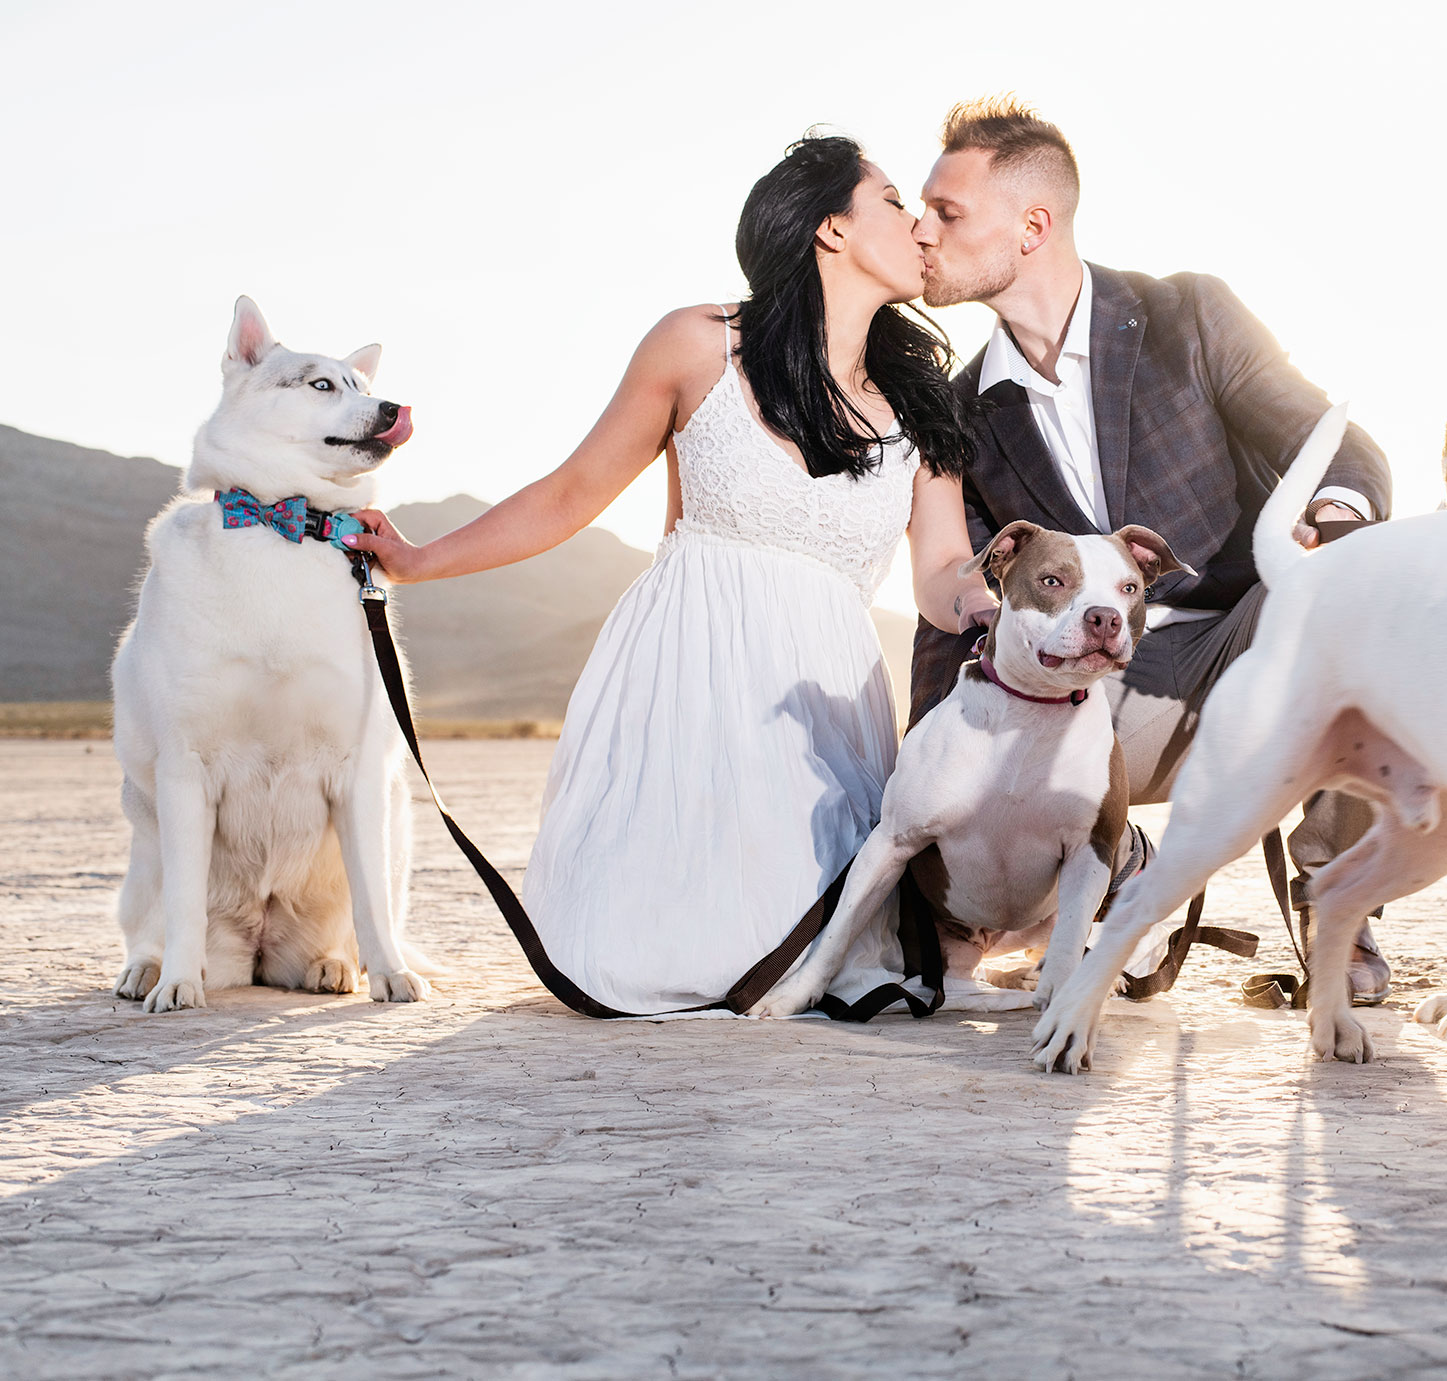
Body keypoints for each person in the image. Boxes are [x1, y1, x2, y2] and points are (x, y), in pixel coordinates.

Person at [345, 134, 1000, 1015]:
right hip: (685, 678)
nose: (920, 222)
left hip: (822, 703)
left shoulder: (922, 403)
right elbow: (573, 491)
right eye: (892, 200)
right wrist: (420, 560)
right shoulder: (698, 345)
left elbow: (940, 569)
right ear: (830, 230)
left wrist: (985, 603)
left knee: (803, 961)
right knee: (647, 958)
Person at [907, 98, 1398, 1002]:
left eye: (947, 211)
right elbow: (964, 606)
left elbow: (1336, 443)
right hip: (1091, 696)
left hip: (1247, 640)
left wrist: (1334, 525)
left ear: (1033, 224)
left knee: (1349, 589)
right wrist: (928, 774)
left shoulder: (1191, 314)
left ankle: (1338, 909)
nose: (920, 230)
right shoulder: (961, 412)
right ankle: (1115, 859)